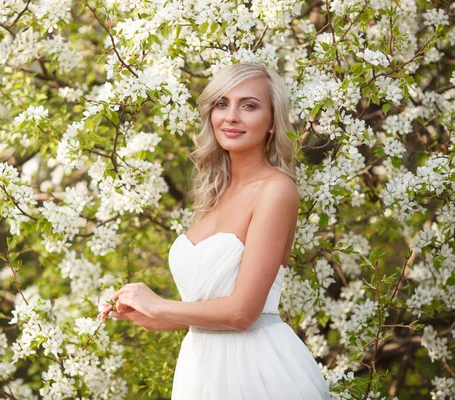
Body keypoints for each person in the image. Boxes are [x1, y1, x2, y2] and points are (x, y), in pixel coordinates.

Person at [99, 62, 331, 399]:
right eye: (222, 104)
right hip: (200, 371)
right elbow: (204, 312)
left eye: (249, 105)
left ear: (271, 123)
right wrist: (144, 311)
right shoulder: (212, 195)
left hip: (257, 372)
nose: (232, 116)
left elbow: (242, 313)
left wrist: (162, 305)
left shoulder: (276, 190)